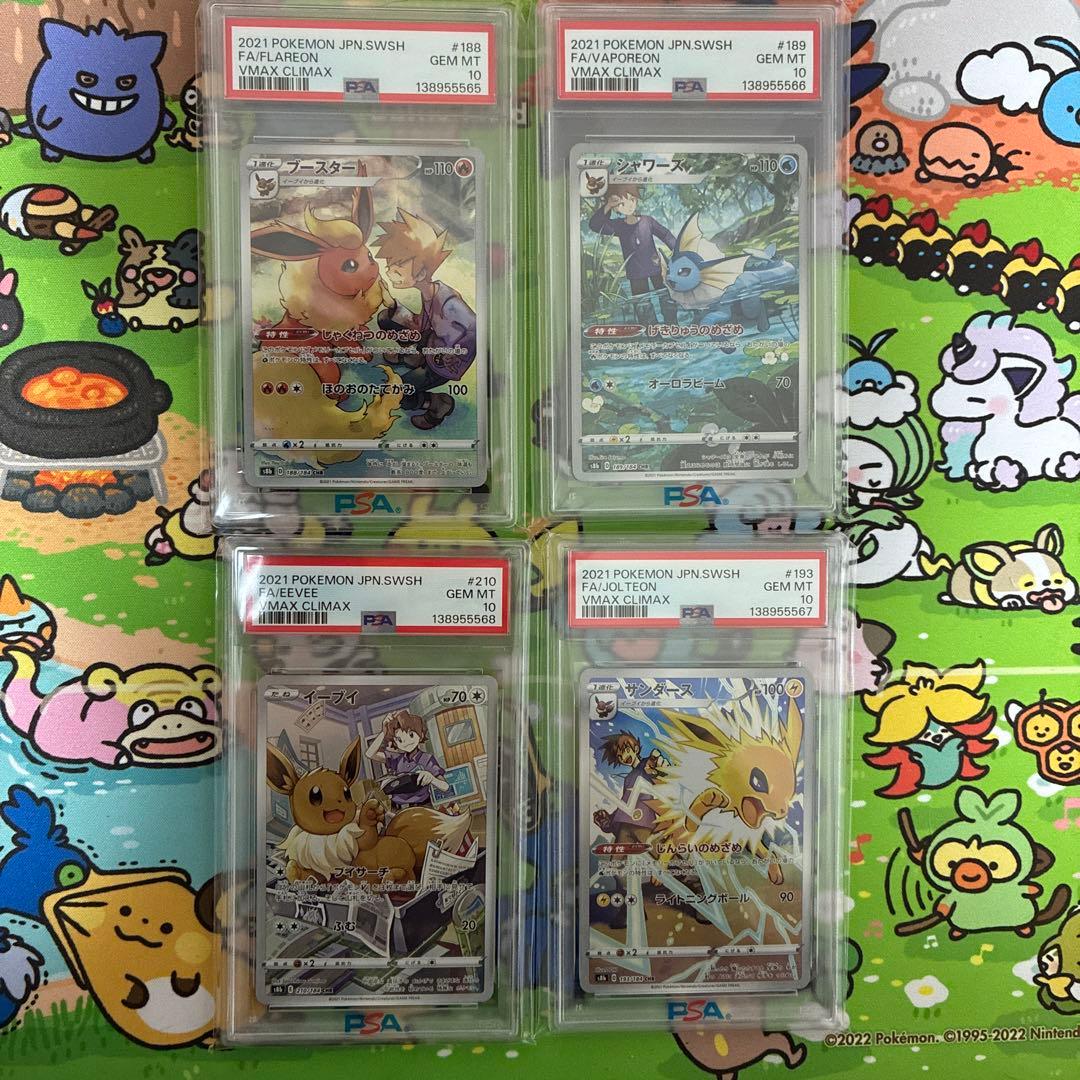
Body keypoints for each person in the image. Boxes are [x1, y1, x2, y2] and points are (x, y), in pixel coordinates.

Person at [374, 209, 477, 430]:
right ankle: (413, 357)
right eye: (390, 265)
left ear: (421, 273)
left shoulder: (449, 303)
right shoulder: (429, 291)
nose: (390, 271)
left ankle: (437, 403)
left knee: (394, 394)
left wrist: (438, 356)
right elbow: (423, 323)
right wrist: (392, 304)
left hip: (445, 362)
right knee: (386, 317)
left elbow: (470, 332)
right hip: (433, 345)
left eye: (398, 267)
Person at [588, 183, 679, 324]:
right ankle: (652, 333)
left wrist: (678, 251)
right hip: (636, 273)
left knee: (667, 299)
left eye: (632, 200)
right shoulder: (618, 225)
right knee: (643, 306)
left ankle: (672, 326)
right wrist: (608, 206)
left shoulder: (647, 221)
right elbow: (595, 225)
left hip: (656, 268)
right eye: (621, 203)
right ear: (616, 207)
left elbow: (666, 235)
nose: (629, 205)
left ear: (636, 200)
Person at [365, 708, 448, 807]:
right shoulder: (396, 758)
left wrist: (432, 778)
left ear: (421, 735)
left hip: (421, 806)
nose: (405, 742)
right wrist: (384, 731)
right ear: (395, 742)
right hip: (398, 807)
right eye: (399, 739)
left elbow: (445, 786)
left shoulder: (427, 759)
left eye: (411, 735)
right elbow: (370, 754)